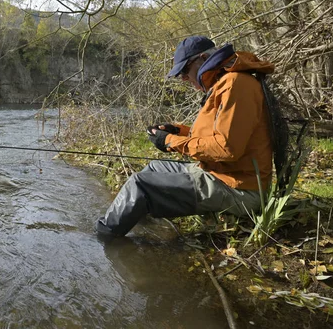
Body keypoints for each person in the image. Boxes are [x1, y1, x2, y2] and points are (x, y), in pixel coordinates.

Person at [95, 35, 275, 236]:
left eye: (184, 70)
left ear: (203, 58)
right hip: (220, 174)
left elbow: (227, 148)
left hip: (239, 189)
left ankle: (104, 235)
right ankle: (137, 223)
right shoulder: (226, 82)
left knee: (141, 184)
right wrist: (178, 131)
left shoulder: (236, 84)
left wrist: (170, 142)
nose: (182, 78)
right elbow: (219, 134)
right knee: (155, 168)